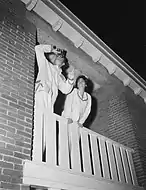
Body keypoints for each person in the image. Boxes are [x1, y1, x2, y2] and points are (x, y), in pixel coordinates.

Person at [34, 44, 75, 158]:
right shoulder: (45, 64)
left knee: (47, 129)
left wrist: (71, 79)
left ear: (63, 64)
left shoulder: (60, 76)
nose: (59, 57)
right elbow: (38, 49)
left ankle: (38, 156)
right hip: (41, 94)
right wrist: (52, 49)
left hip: (50, 102)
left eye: (62, 58)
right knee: (37, 124)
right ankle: (32, 154)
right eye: (58, 56)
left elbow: (66, 89)